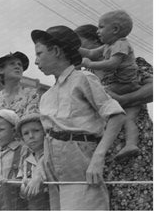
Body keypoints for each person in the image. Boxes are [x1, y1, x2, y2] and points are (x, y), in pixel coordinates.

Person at [28, 25, 127, 210]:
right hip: (54, 177)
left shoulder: (83, 79)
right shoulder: (47, 96)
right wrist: (39, 173)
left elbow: (117, 116)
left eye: (39, 54)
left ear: (56, 51)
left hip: (81, 171)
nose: (35, 61)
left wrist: (98, 157)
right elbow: (49, 140)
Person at [76, 26, 153, 210]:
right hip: (101, 146)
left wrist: (124, 100)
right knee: (105, 199)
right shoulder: (84, 75)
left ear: (97, 43)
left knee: (137, 194)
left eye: (79, 44)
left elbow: (154, 87)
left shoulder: (129, 63)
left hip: (134, 140)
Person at [79, 10, 140, 161]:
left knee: (100, 92)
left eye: (100, 27)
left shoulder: (120, 44)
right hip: (123, 85)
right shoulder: (108, 45)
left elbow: (112, 64)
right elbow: (90, 53)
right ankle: (131, 144)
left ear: (115, 30)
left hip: (125, 83)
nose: (98, 31)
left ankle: (131, 143)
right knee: (128, 118)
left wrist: (90, 64)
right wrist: (72, 47)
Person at [0, 51, 40, 122]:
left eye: (20, 64)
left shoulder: (31, 95)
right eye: (12, 64)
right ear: (1, 70)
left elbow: (30, 123)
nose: (17, 66)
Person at [17, 113, 50, 210]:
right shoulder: (25, 158)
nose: (31, 136)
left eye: (36, 131)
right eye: (26, 133)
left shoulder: (52, 154)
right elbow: (22, 189)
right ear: (22, 138)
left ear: (45, 132)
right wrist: (25, 187)